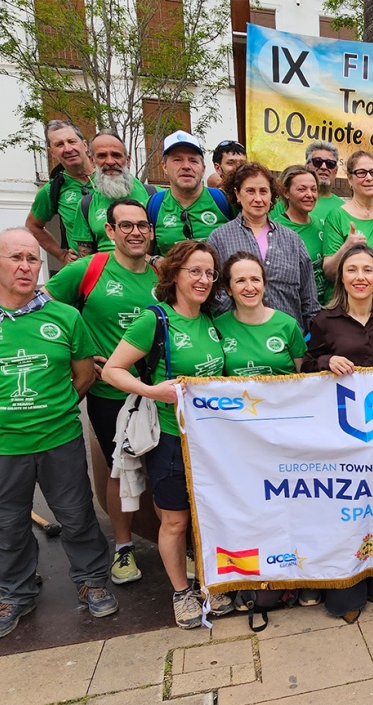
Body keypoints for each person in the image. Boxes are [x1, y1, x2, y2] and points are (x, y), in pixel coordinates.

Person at [0, 228, 117, 640]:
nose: (25, 266)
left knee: (76, 516)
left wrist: (56, 407)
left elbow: (84, 372)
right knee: (7, 523)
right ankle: (15, 594)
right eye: (16, 258)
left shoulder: (64, 316)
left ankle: (91, 581)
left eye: (33, 259)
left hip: (58, 438)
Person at [102, 240, 232, 629]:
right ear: (174, 273)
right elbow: (112, 370)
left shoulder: (212, 320)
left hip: (211, 439)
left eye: (209, 272)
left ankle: (211, 582)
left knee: (208, 515)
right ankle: (181, 592)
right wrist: (152, 390)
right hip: (171, 439)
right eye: (194, 270)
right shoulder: (155, 319)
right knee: (174, 521)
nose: (203, 279)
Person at [42, 199, 160, 584]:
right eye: (126, 226)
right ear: (110, 231)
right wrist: (77, 354)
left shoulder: (162, 272)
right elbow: (43, 306)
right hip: (111, 394)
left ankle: (178, 542)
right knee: (118, 470)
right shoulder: (88, 269)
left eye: (142, 225)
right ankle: (123, 547)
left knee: (162, 468)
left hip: (158, 390)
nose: (136, 232)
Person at [305, 243, 373, 622]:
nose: (360, 277)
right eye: (352, 270)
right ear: (341, 277)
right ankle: (345, 590)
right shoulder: (324, 320)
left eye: (367, 270)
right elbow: (306, 365)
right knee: (345, 510)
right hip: (340, 432)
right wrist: (326, 360)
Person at [207, 161, 320, 330]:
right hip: (237, 339)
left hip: (287, 342)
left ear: (271, 195)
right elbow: (213, 293)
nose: (258, 199)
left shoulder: (292, 240)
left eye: (263, 191)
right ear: (237, 194)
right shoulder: (220, 238)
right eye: (250, 191)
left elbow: (309, 299)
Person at [216, 253, 307, 376]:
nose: (249, 287)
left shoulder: (288, 325)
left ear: (264, 284)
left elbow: (306, 378)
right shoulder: (217, 327)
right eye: (240, 281)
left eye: (255, 279)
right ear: (229, 289)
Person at [149, 131, 233, 254]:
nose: (186, 166)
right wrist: (155, 260)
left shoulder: (225, 201)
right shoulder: (153, 206)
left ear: (203, 169)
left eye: (193, 161)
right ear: (164, 167)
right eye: (177, 160)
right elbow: (139, 255)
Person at [322, 151, 373, 280]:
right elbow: (329, 272)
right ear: (350, 180)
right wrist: (346, 247)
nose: (369, 178)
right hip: (345, 298)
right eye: (362, 173)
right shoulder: (337, 216)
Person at [27, 120, 95, 262]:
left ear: (84, 145)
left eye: (72, 141)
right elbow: (33, 226)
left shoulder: (111, 176)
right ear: (52, 152)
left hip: (120, 268)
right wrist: (61, 254)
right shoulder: (52, 189)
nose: (68, 149)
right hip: (84, 273)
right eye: (59, 144)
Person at [76, 132, 156, 253]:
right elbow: (85, 257)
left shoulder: (155, 196)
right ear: (92, 161)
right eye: (102, 156)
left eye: (116, 155)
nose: (110, 162)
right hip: (105, 271)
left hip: (146, 270)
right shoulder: (86, 205)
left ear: (128, 161)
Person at [271, 165, 329, 306]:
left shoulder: (321, 224)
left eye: (313, 189)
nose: (309, 194)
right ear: (286, 192)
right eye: (302, 189)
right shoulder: (276, 230)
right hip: (297, 308)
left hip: (326, 307)